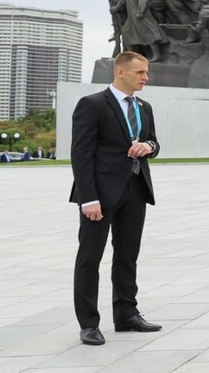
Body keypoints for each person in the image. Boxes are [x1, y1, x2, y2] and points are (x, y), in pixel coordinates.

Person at [69, 51, 162, 346]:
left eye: (146, 72)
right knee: (90, 258)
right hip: (100, 195)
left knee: (127, 255)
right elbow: (81, 155)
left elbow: (154, 142)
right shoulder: (92, 105)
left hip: (135, 190)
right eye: (140, 73)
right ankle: (88, 324)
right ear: (120, 72)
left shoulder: (144, 107)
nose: (145, 78)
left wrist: (148, 146)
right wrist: (88, 199)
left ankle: (126, 315)